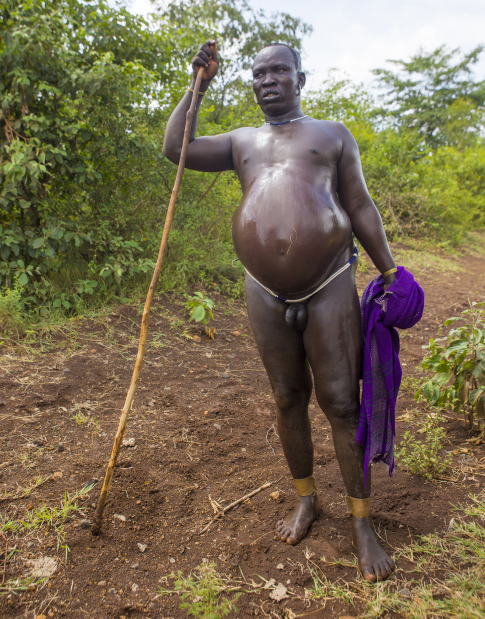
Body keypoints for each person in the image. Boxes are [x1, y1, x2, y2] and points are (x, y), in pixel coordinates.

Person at [163, 40, 399, 582]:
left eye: (279, 71)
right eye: (258, 73)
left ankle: (362, 520)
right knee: (287, 397)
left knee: (341, 402)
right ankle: (306, 499)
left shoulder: (332, 135)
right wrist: (195, 86)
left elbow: (359, 205)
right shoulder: (241, 142)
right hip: (262, 290)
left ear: (300, 78)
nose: (267, 79)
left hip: (330, 282)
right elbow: (175, 148)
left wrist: (390, 272)